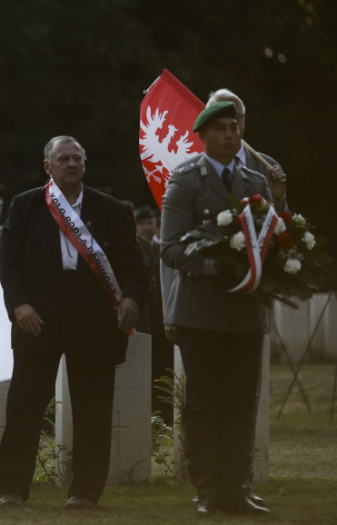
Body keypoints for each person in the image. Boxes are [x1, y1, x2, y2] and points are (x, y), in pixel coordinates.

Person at [0, 136, 146, 510]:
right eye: (63, 158)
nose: (71, 164)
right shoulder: (26, 205)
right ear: (48, 165)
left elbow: (131, 263)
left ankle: (85, 491)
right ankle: (12, 488)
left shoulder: (111, 209)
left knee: (94, 409)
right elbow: (8, 262)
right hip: (37, 319)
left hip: (94, 320)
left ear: (84, 164)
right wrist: (19, 306)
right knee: (25, 406)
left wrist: (131, 297)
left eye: (77, 158)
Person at [161, 102, 285, 517]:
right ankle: (208, 489)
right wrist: (221, 265)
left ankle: (238, 486)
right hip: (202, 310)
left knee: (241, 403)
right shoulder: (185, 181)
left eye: (234, 127)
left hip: (246, 312)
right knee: (203, 403)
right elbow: (172, 248)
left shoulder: (255, 179)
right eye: (220, 128)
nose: (231, 135)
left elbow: (269, 235)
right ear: (203, 135)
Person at [133, 206, 172, 422]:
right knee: (144, 371)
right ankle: (146, 415)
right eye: (142, 224)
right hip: (143, 322)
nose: (147, 228)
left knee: (162, 369)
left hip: (161, 321)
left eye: (150, 223)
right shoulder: (135, 248)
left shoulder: (159, 248)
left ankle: (162, 415)